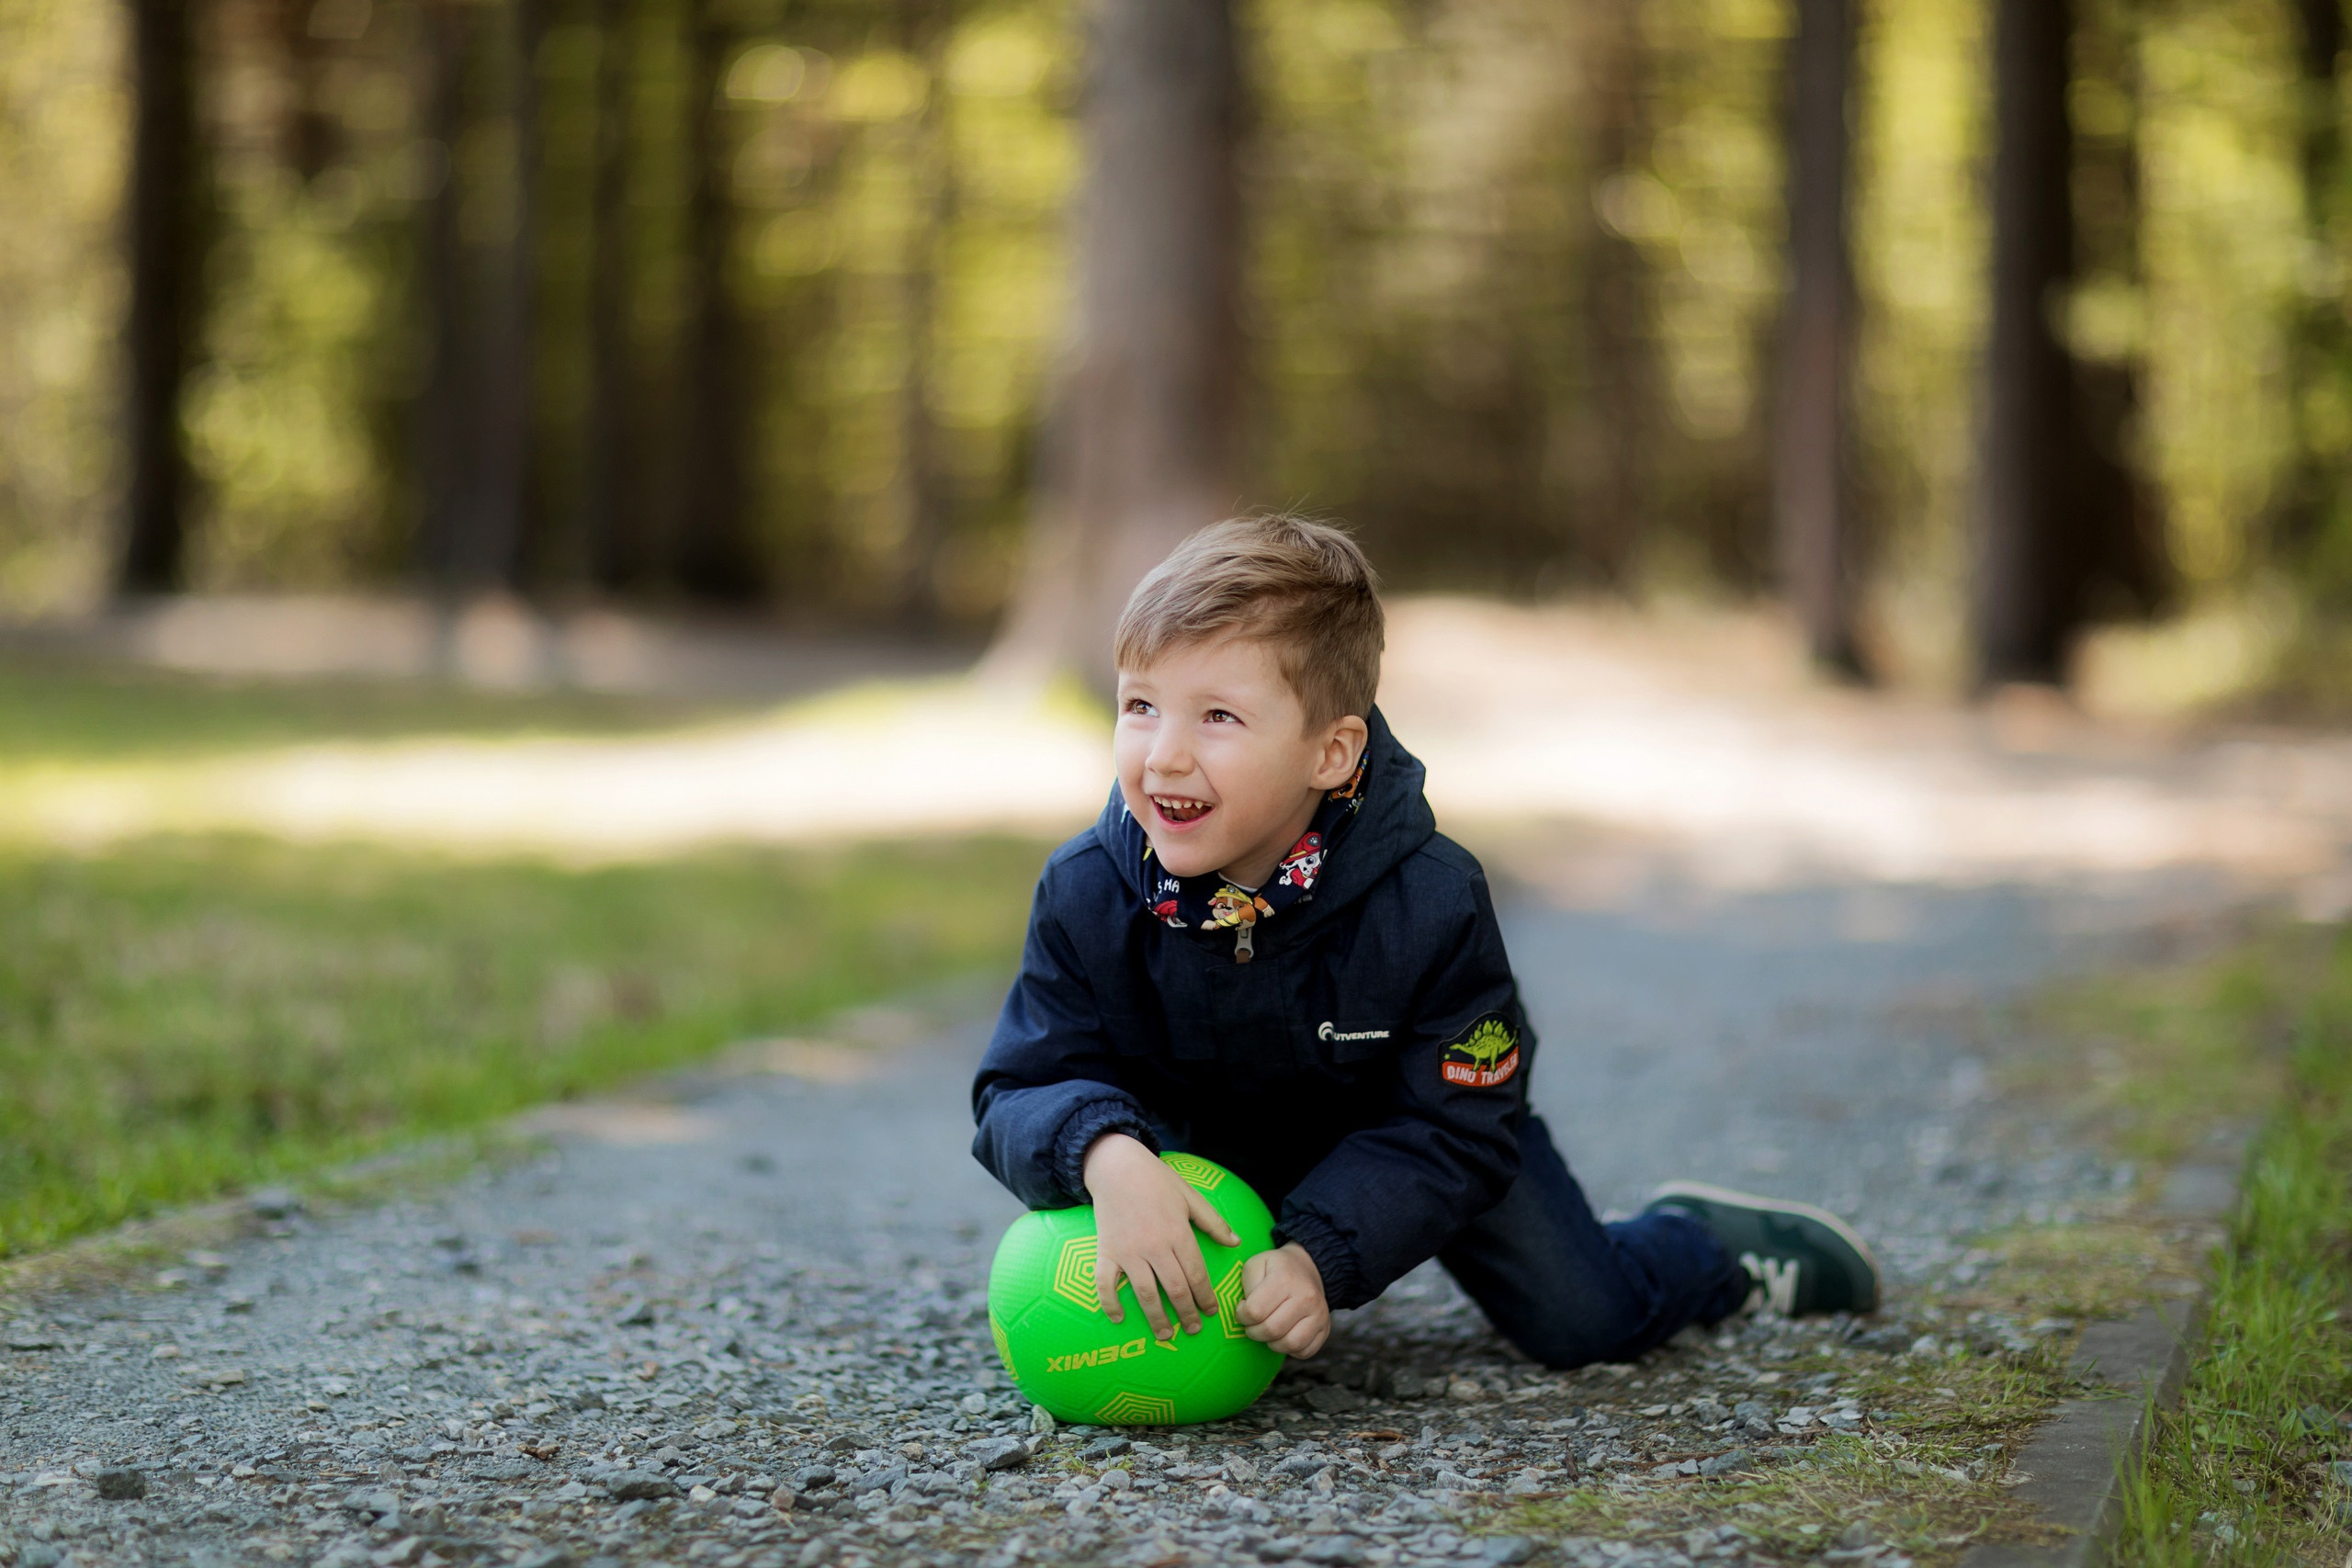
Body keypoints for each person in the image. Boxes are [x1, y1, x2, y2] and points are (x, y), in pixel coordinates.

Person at [970, 514, 1878, 1368]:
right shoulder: (1087, 888)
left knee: (1586, 1321)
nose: (1163, 755)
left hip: (1407, 1134)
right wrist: (1106, 1156)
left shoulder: (1430, 899)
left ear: (1330, 753)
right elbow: (1021, 1081)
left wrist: (1320, 1256)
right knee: (1172, 1302)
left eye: (1218, 717)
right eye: (1140, 706)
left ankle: (1704, 1247)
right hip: (1197, 1144)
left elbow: (1458, 1122)